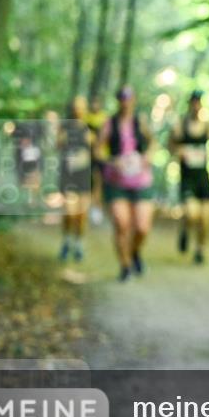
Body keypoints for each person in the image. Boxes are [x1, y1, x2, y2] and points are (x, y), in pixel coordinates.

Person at [98, 85, 156, 282]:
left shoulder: (140, 121)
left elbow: (153, 142)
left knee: (142, 227)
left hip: (141, 181)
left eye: (129, 97)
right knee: (122, 223)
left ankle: (134, 252)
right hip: (117, 182)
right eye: (122, 98)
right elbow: (98, 150)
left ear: (134, 100)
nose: (126, 101)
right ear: (118, 100)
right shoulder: (109, 124)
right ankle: (125, 265)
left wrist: (148, 157)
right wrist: (113, 161)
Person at [169, 89, 209, 264]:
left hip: (203, 177)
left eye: (199, 102)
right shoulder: (180, 125)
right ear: (190, 104)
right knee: (192, 213)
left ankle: (200, 249)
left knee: (206, 217)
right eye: (194, 102)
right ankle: (185, 228)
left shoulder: (208, 125)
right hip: (187, 177)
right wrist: (180, 151)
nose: (196, 106)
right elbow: (171, 147)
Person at [57, 96, 94, 262]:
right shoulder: (64, 126)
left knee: (82, 215)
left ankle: (79, 245)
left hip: (85, 177)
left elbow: (99, 152)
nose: (78, 109)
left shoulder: (90, 128)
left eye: (81, 106)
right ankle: (66, 241)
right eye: (76, 106)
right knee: (70, 213)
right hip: (68, 177)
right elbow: (57, 146)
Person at [84, 96, 109, 225]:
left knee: (99, 182)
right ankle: (89, 208)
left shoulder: (105, 118)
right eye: (92, 102)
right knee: (89, 183)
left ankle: (97, 209)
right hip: (87, 156)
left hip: (101, 156)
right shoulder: (85, 118)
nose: (94, 105)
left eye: (96, 102)